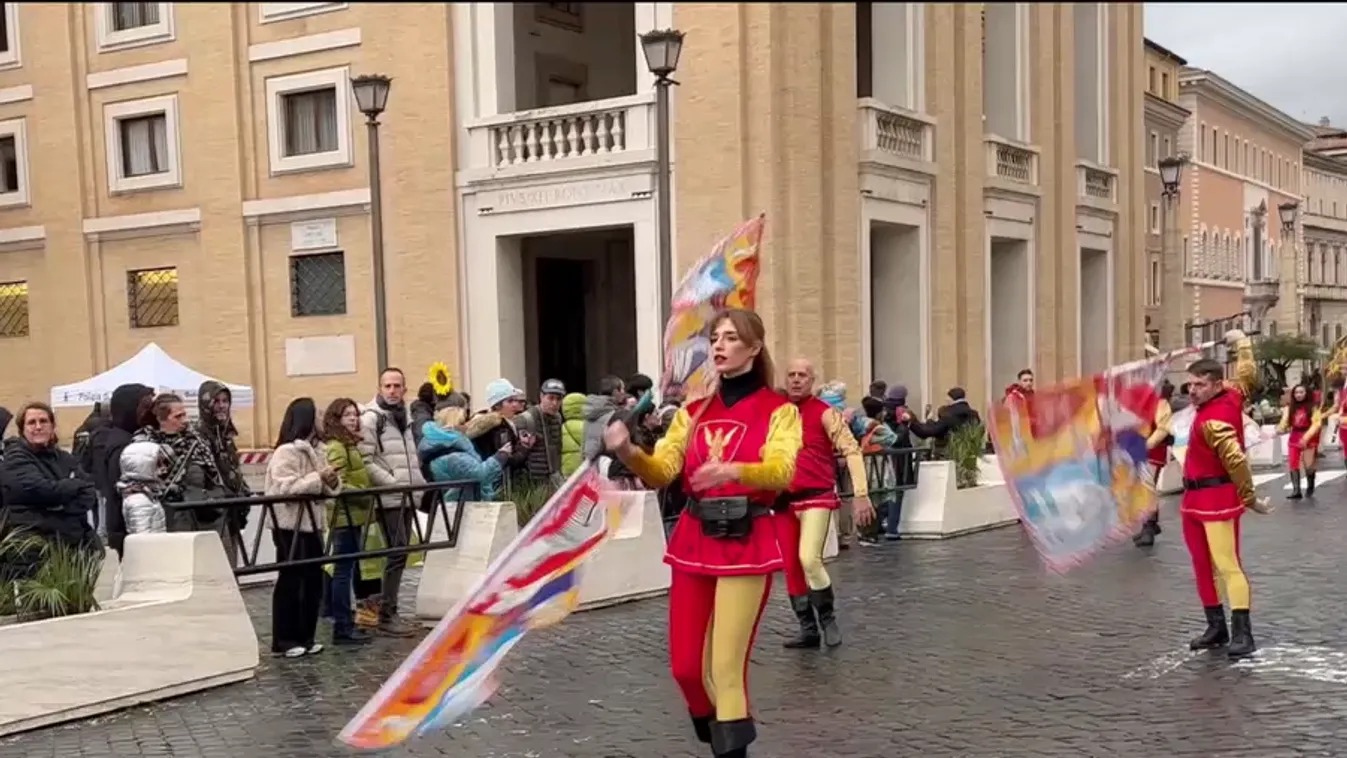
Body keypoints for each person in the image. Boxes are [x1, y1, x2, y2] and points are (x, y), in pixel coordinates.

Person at [604, 308, 802, 758]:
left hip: (746, 537)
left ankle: (731, 749)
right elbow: (663, 471)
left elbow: (783, 470)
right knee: (686, 670)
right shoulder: (692, 412)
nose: (719, 345)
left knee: (726, 669)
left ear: (754, 347)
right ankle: (717, 734)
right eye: (716, 337)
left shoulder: (780, 411)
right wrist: (630, 452)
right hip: (694, 537)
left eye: (731, 338)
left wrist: (735, 470)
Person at [1181, 330, 1269, 659]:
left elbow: (1236, 461)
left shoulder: (1216, 418)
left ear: (1217, 384)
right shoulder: (1231, 395)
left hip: (1217, 499)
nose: (1192, 391)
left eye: (1199, 385)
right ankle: (1216, 627)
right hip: (1192, 499)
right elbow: (1246, 375)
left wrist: (1249, 498)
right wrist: (1243, 343)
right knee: (1202, 565)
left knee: (1227, 564)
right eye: (1190, 384)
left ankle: (1243, 633)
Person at [776, 359, 874, 650]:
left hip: (815, 496)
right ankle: (808, 629)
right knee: (791, 567)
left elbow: (851, 450)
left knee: (809, 558)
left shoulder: (825, 413)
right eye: (791, 374)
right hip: (782, 500)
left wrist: (860, 493)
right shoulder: (776, 412)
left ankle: (828, 619)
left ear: (812, 381)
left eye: (802, 375)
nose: (796, 380)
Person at [265, 398, 339, 658]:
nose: (322, 418)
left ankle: (306, 636)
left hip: (312, 524)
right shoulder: (286, 452)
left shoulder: (317, 450)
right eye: (317, 414)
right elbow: (285, 488)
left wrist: (330, 480)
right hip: (290, 525)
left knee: (312, 580)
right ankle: (284, 639)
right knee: (291, 579)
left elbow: (327, 489)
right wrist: (317, 478)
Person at [0, 403, 102, 579]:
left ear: (52, 426)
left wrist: (59, 504)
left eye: (43, 421)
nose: (38, 427)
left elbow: (89, 492)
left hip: (71, 546)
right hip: (35, 549)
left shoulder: (64, 458)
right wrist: (71, 487)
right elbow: (39, 490)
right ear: (22, 429)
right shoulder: (16, 457)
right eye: (32, 422)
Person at [358, 368, 424, 637]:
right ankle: (386, 613)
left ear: (404, 389)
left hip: (408, 494)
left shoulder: (404, 417)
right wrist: (392, 482)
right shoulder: (372, 419)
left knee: (401, 552)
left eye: (397, 385)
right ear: (380, 388)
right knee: (396, 551)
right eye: (388, 386)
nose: (392, 390)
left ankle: (389, 609)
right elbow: (367, 459)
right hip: (391, 496)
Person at [320, 398, 375, 646]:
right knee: (342, 572)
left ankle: (347, 623)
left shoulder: (349, 443)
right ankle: (342, 627)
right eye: (347, 415)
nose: (353, 419)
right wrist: (363, 493)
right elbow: (337, 483)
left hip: (355, 514)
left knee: (349, 569)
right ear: (336, 419)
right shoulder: (337, 446)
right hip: (344, 516)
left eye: (355, 414)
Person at [134, 394, 226, 535]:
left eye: (185, 415)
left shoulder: (196, 443)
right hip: (161, 522)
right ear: (161, 419)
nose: (185, 421)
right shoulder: (143, 446)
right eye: (178, 416)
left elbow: (214, 479)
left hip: (201, 521)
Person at [88, 384, 155, 557]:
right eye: (145, 407)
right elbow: (120, 488)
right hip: (128, 526)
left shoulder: (130, 437)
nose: (150, 413)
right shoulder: (121, 443)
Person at [196, 380, 250, 565]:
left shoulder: (226, 433)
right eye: (216, 401)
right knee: (222, 565)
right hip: (214, 512)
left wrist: (243, 490)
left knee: (232, 560)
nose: (221, 406)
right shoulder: (200, 434)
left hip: (232, 509)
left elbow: (233, 468)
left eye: (225, 401)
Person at [419, 405, 512, 500]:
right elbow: (480, 475)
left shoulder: (436, 446)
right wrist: (500, 456)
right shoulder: (454, 456)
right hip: (461, 506)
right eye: (462, 422)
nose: (466, 426)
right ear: (452, 425)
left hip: (451, 503)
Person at [1134, 379, 1175, 548]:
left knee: (1147, 490)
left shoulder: (1160, 403)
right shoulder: (1146, 403)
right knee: (1142, 489)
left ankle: (1149, 527)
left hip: (1151, 453)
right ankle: (1148, 525)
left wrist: (1147, 445)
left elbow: (1163, 428)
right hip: (1142, 452)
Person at [1278, 383, 1324, 499]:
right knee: (1293, 463)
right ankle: (1296, 490)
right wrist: (1279, 430)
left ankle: (1310, 485)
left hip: (1309, 436)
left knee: (1308, 465)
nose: (1298, 395)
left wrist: (1306, 437)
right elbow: (1285, 422)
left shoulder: (1313, 407)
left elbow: (1316, 424)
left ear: (1306, 393)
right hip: (1294, 436)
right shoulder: (1290, 407)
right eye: (1296, 393)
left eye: (1301, 392)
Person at [516, 379, 566, 487]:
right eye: (551, 398)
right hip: (530, 484)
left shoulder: (557, 418)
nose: (555, 403)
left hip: (552, 480)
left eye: (559, 399)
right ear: (541, 396)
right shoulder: (526, 418)